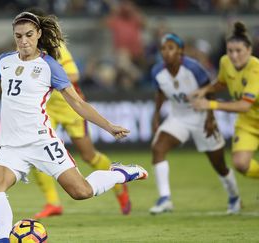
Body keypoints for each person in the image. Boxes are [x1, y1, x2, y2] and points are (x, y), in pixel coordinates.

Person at [0, 11, 148, 243]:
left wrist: (108, 126)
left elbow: (77, 103)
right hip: (12, 145)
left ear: (38, 34)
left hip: (42, 141)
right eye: (18, 36)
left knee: (82, 192)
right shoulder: (5, 61)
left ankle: (119, 173)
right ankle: (4, 240)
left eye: (29, 34)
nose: (24, 41)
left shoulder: (49, 66)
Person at [26, 8, 131, 219]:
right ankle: (53, 203)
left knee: (88, 155)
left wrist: (48, 76)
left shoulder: (56, 48)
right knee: (38, 150)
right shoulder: (25, 51)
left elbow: (73, 73)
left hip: (69, 106)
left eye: (30, 31)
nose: (25, 37)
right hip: (46, 108)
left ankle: (119, 185)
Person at [149, 33, 241, 215]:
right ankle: (165, 198)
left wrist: (210, 119)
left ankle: (234, 196)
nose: (166, 52)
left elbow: (211, 92)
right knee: (158, 148)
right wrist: (156, 115)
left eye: (171, 48)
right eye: (163, 49)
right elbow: (160, 93)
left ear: (180, 51)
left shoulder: (193, 68)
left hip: (201, 117)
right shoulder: (157, 71)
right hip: (178, 117)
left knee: (219, 165)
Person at [191, 21, 259, 179]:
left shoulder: (256, 70)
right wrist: (205, 90)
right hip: (248, 123)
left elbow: (243, 106)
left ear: (249, 50)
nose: (234, 55)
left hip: (247, 112)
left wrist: (210, 104)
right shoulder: (225, 62)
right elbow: (222, 82)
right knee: (241, 164)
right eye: (230, 51)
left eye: (239, 51)